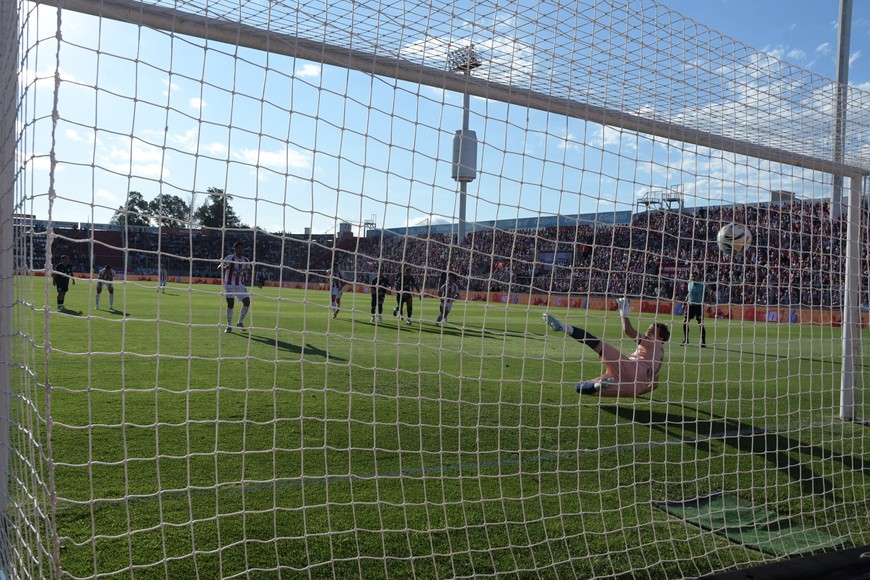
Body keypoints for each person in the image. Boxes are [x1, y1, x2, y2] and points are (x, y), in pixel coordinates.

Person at [542, 298, 670, 398]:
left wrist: (623, 312)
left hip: (631, 368)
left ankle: (563, 327)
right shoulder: (659, 357)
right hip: (633, 387)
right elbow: (655, 385)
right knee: (580, 387)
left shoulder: (654, 343)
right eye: (648, 331)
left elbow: (628, 331)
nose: (648, 334)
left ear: (661, 338)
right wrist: (635, 392)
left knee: (597, 344)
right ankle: (598, 385)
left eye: (652, 332)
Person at [219, 241, 251, 332]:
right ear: (235, 249)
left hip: (240, 285)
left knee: (247, 302)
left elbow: (248, 271)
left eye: (242, 248)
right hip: (229, 285)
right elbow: (220, 265)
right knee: (230, 304)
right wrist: (225, 267)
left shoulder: (246, 260)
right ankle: (229, 326)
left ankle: (240, 322)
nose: (241, 249)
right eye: (239, 248)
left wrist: (256, 281)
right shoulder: (230, 258)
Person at [683, 272, 707, 347]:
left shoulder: (702, 285)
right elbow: (688, 294)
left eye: (694, 276)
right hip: (690, 306)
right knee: (685, 322)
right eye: (691, 276)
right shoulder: (689, 284)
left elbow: (707, 294)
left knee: (700, 324)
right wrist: (685, 302)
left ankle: (703, 342)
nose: (692, 278)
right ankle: (686, 340)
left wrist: (709, 305)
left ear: (697, 277)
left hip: (698, 306)